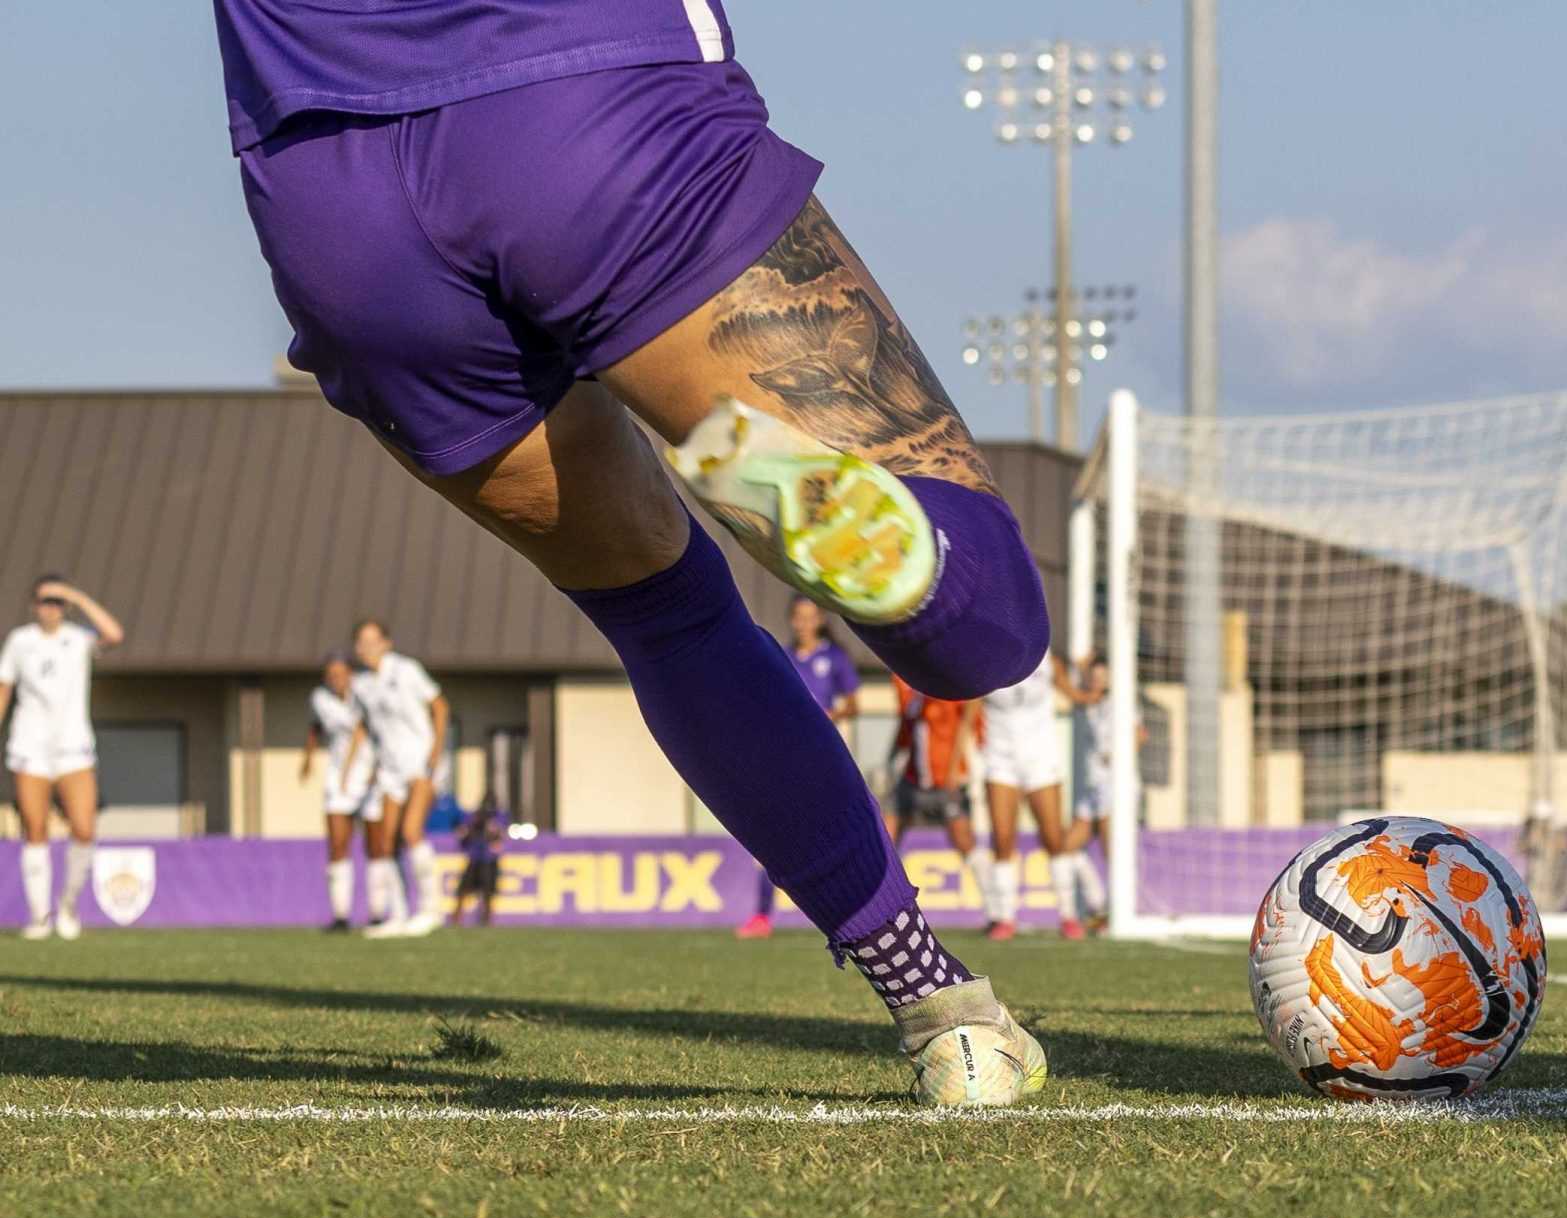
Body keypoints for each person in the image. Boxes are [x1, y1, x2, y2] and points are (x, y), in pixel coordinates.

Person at [216, 0, 1047, 1103]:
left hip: (328, 186)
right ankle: (898, 557)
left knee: (666, 618)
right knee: (987, 633)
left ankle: (946, 1017)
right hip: (588, 98)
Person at [0, 580, 124, 942]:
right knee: (35, 831)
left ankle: (68, 905)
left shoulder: (79, 638)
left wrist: (78, 596)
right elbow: (4, 687)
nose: (50, 608)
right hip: (30, 747)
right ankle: (40, 916)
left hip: (74, 748)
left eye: (57, 601)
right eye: (44, 601)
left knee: (84, 829)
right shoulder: (20, 641)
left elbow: (114, 634)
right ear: (34, 604)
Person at [738, 594, 861, 939]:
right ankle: (762, 917)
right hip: (783, 753)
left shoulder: (834, 658)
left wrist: (830, 715)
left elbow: (853, 705)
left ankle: (847, 914)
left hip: (821, 755)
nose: (804, 623)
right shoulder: (784, 656)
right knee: (773, 835)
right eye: (799, 617)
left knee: (831, 833)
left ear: (820, 619)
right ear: (792, 620)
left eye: (811, 617)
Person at [349, 619, 450, 938]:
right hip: (389, 768)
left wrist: (435, 749)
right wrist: (366, 767)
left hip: (419, 760)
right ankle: (399, 914)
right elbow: (365, 727)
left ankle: (432, 910)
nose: (366, 648)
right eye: (361, 642)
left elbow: (440, 706)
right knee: (385, 839)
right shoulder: (361, 684)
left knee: (411, 831)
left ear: (386, 643)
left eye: (372, 641)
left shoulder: (406, 670)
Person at [979, 652, 1090, 942]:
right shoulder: (982, 660)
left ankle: (1068, 916)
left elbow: (1074, 695)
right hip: (999, 759)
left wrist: (1092, 684)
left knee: (1054, 838)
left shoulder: (1048, 660)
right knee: (1002, 839)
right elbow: (967, 708)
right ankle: (1005, 918)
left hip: (1041, 759)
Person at [883, 678, 989, 904]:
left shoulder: (951, 687)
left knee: (963, 840)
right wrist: (890, 761)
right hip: (912, 780)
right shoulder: (907, 688)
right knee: (884, 837)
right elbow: (904, 727)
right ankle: (879, 904)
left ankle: (997, 908)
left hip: (946, 780)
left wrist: (956, 769)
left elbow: (971, 724)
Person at [1056, 653, 1134, 934]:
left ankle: (1115, 914)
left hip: (1111, 787)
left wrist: (1118, 757)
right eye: (1094, 675)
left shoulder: (1119, 703)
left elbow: (1138, 734)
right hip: (1090, 788)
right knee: (1066, 847)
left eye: (1103, 676)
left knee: (1112, 851)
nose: (1098, 681)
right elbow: (1074, 687)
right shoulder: (1087, 703)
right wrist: (1078, 667)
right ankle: (1097, 903)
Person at [300, 651, 374, 931]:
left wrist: (354, 771)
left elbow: (362, 733)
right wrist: (307, 758)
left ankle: (379, 913)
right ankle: (341, 915)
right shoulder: (320, 699)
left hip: (371, 775)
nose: (337, 680)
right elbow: (316, 727)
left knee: (378, 846)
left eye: (341, 674)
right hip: (339, 779)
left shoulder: (367, 694)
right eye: (331, 675)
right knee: (338, 844)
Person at [451, 797, 507, 927]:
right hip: (475, 858)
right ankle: (456, 918)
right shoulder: (473, 819)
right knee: (463, 890)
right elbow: (463, 835)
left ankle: (487, 918)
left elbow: (499, 838)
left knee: (488, 892)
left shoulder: (498, 818)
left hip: (489, 860)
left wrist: (493, 831)